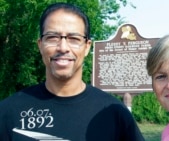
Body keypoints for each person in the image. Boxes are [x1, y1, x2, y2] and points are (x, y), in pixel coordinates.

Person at [0, 2, 145, 141]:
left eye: (74, 39)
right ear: (40, 45)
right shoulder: (8, 112)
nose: (63, 47)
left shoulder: (114, 114)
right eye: (52, 37)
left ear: (87, 47)